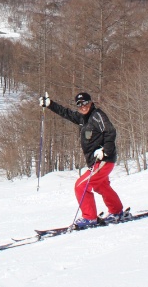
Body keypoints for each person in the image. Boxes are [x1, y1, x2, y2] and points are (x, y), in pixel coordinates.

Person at [40, 92, 124, 226]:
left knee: (81, 186)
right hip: (96, 161)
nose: (83, 106)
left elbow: (110, 131)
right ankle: (117, 211)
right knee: (101, 186)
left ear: (91, 102)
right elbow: (66, 113)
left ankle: (89, 217)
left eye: (85, 103)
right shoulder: (83, 118)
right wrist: (50, 104)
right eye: (79, 105)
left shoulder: (97, 115)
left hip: (103, 160)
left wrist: (104, 150)